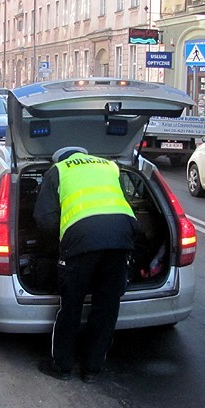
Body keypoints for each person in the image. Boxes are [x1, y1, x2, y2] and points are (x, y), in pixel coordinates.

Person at [33, 146, 140, 383]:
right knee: (107, 305)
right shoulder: (109, 166)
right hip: (121, 236)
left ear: (59, 158)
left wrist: (55, 248)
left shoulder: (58, 170)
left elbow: (45, 219)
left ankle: (62, 366)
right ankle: (92, 369)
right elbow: (121, 201)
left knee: (71, 305)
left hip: (80, 239)